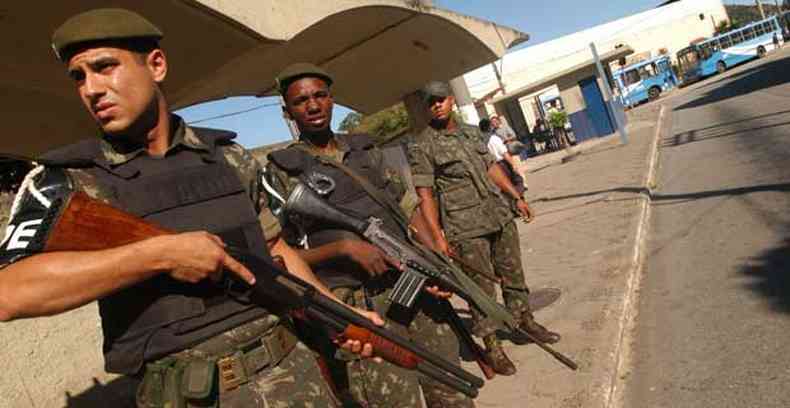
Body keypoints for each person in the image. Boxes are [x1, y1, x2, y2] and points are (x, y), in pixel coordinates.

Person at [0, 9, 380, 407]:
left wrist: (334, 310)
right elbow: (10, 293)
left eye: (104, 67)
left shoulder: (229, 157)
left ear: (157, 65)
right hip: (187, 396)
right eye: (79, 77)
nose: (91, 89)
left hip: (293, 377)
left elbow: (275, 250)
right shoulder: (67, 179)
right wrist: (158, 254)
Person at [263, 63, 475, 408]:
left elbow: (408, 208)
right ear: (288, 112)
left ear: (332, 100)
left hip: (413, 287)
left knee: (452, 392)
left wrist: (433, 259)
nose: (313, 106)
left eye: (320, 95)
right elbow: (281, 254)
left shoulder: (366, 150)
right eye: (302, 101)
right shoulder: (281, 171)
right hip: (361, 306)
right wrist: (343, 248)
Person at [408, 81, 561, 376]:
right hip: (465, 226)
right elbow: (425, 193)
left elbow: (492, 168)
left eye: (440, 99)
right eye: (430, 102)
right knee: (480, 290)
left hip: (498, 214)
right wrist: (437, 236)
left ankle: (523, 322)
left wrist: (516, 198)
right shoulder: (422, 145)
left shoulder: (470, 132)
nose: (436, 105)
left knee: (513, 274)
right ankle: (492, 346)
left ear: (451, 100)